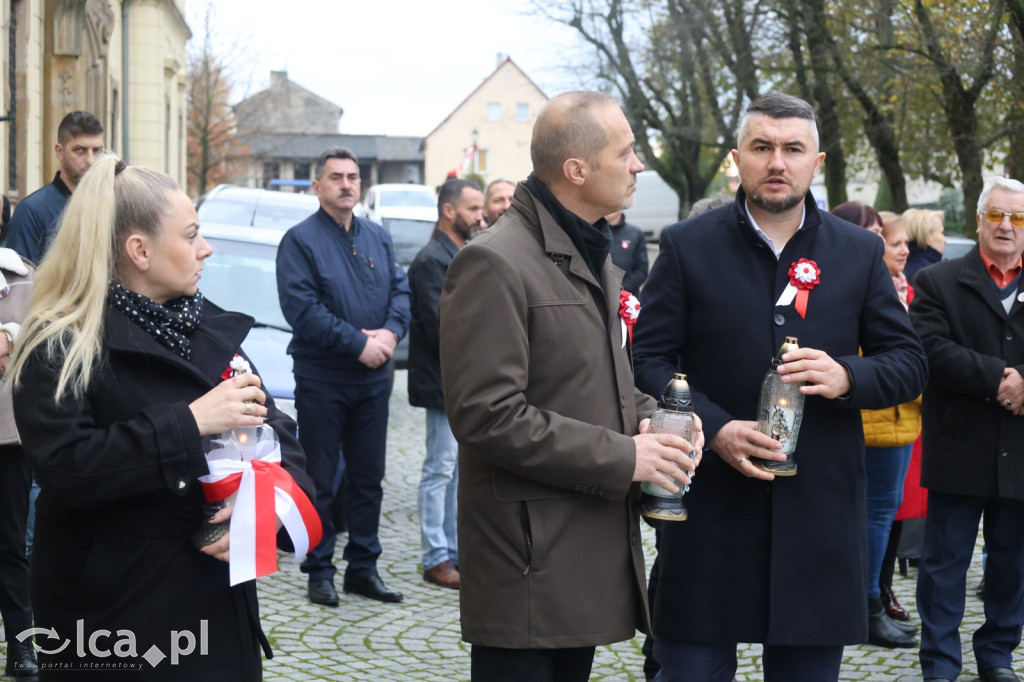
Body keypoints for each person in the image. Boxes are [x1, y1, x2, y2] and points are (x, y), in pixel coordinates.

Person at [632, 93, 927, 682]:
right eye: (762, 147)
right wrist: (714, 428)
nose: (777, 162)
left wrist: (848, 376)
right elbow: (647, 356)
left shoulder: (861, 251)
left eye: (793, 149)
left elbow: (909, 362)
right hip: (710, 509)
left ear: (816, 162)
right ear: (737, 159)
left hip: (818, 514)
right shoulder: (689, 245)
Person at [8, 155, 311, 680]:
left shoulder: (206, 326)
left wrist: (266, 506)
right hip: (115, 625)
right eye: (191, 235)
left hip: (218, 617)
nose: (206, 249)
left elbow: (280, 435)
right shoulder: (62, 343)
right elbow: (66, 468)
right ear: (139, 251)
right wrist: (189, 422)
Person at [439, 91, 701, 682]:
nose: (639, 165)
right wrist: (627, 455)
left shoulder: (583, 252)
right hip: (527, 560)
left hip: (573, 549)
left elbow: (596, 377)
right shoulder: (495, 262)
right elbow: (487, 415)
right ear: (577, 170)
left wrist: (656, 420)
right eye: (627, 152)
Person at [277, 146, 411, 607]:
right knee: (320, 480)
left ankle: (363, 569)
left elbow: (401, 290)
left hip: (374, 382)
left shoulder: (377, 236)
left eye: (353, 177)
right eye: (335, 177)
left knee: (369, 477)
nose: (346, 184)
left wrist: (391, 335)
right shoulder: (299, 241)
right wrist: (360, 344)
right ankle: (319, 570)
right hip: (324, 379)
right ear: (318, 186)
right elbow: (303, 310)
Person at [910, 176, 1024, 682]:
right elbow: (928, 349)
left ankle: (997, 656)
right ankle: (940, 662)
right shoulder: (938, 281)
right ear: (978, 219)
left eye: (1017, 218)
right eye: (996, 214)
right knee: (943, 567)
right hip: (959, 446)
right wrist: (998, 379)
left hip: (1020, 452)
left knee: (1012, 564)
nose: (1006, 226)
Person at [834, 203, 922, 649]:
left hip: (899, 419)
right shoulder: (856, 286)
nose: (896, 248)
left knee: (883, 519)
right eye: (886, 238)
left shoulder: (895, 286)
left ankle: (876, 598)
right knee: (876, 518)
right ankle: (866, 605)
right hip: (878, 420)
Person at [407, 178, 483, 590]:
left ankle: (454, 550)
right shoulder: (431, 260)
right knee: (439, 469)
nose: (481, 216)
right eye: (473, 209)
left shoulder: (461, 253)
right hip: (442, 382)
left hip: (463, 382)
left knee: (456, 472)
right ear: (449, 211)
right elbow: (446, 326)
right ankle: (435, 555)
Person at [0, 246, 35, 681]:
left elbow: (51, 328)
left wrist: (12, 334)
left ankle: (23, 643)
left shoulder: (24, 276)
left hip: (8, 436)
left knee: (10, 543)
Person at [6, 111, 104, 263]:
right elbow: (19, 283)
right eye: (80, 150)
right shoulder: (31, 211)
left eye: (97, 150)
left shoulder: (111, 205)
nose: (91, 160)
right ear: (60, 152)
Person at [605, 210, 649, 293]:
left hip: (626, 298)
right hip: (601, 296)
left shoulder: (635, 233)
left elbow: (642, 270)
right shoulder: (596, 232)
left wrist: (621, 290)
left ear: (621, 209)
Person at [902, 209, 947, 280]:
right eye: (941, 232)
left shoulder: (901, 267)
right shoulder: (928, 274)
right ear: (927, 236)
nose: (945, 240)